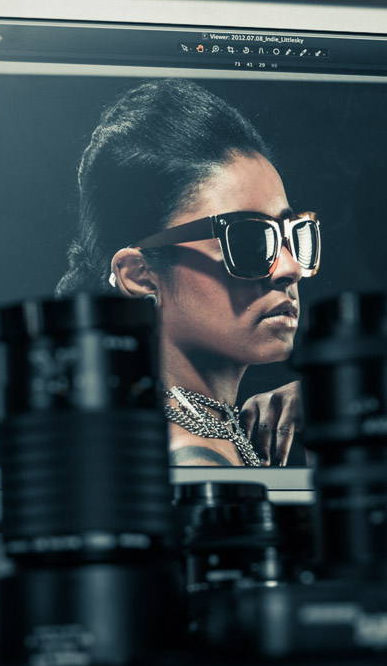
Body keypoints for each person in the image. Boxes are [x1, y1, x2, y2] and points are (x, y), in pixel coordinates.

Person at [56, 79, 321, 467]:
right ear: (140, 274)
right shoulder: (196, 465)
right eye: (247, 241)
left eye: (293, 235)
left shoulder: (220, 436)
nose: (289, 268)